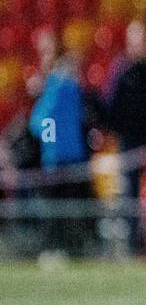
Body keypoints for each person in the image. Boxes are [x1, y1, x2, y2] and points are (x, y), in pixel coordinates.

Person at [107, 20, 146, 255]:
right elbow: (111, 108)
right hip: (130, 143)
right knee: (130, 194)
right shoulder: (122, 70)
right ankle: (135, 246)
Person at [28, 46, 92, 256]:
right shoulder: (63, 89)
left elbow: (37, 123)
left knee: (58, 208)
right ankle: (63, 248)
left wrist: (50, 143)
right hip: (65, 159)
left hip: (60, 159)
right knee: (63, 208)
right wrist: (52, 142)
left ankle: (60, 248)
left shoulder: (61, 89)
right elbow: (39, 123)